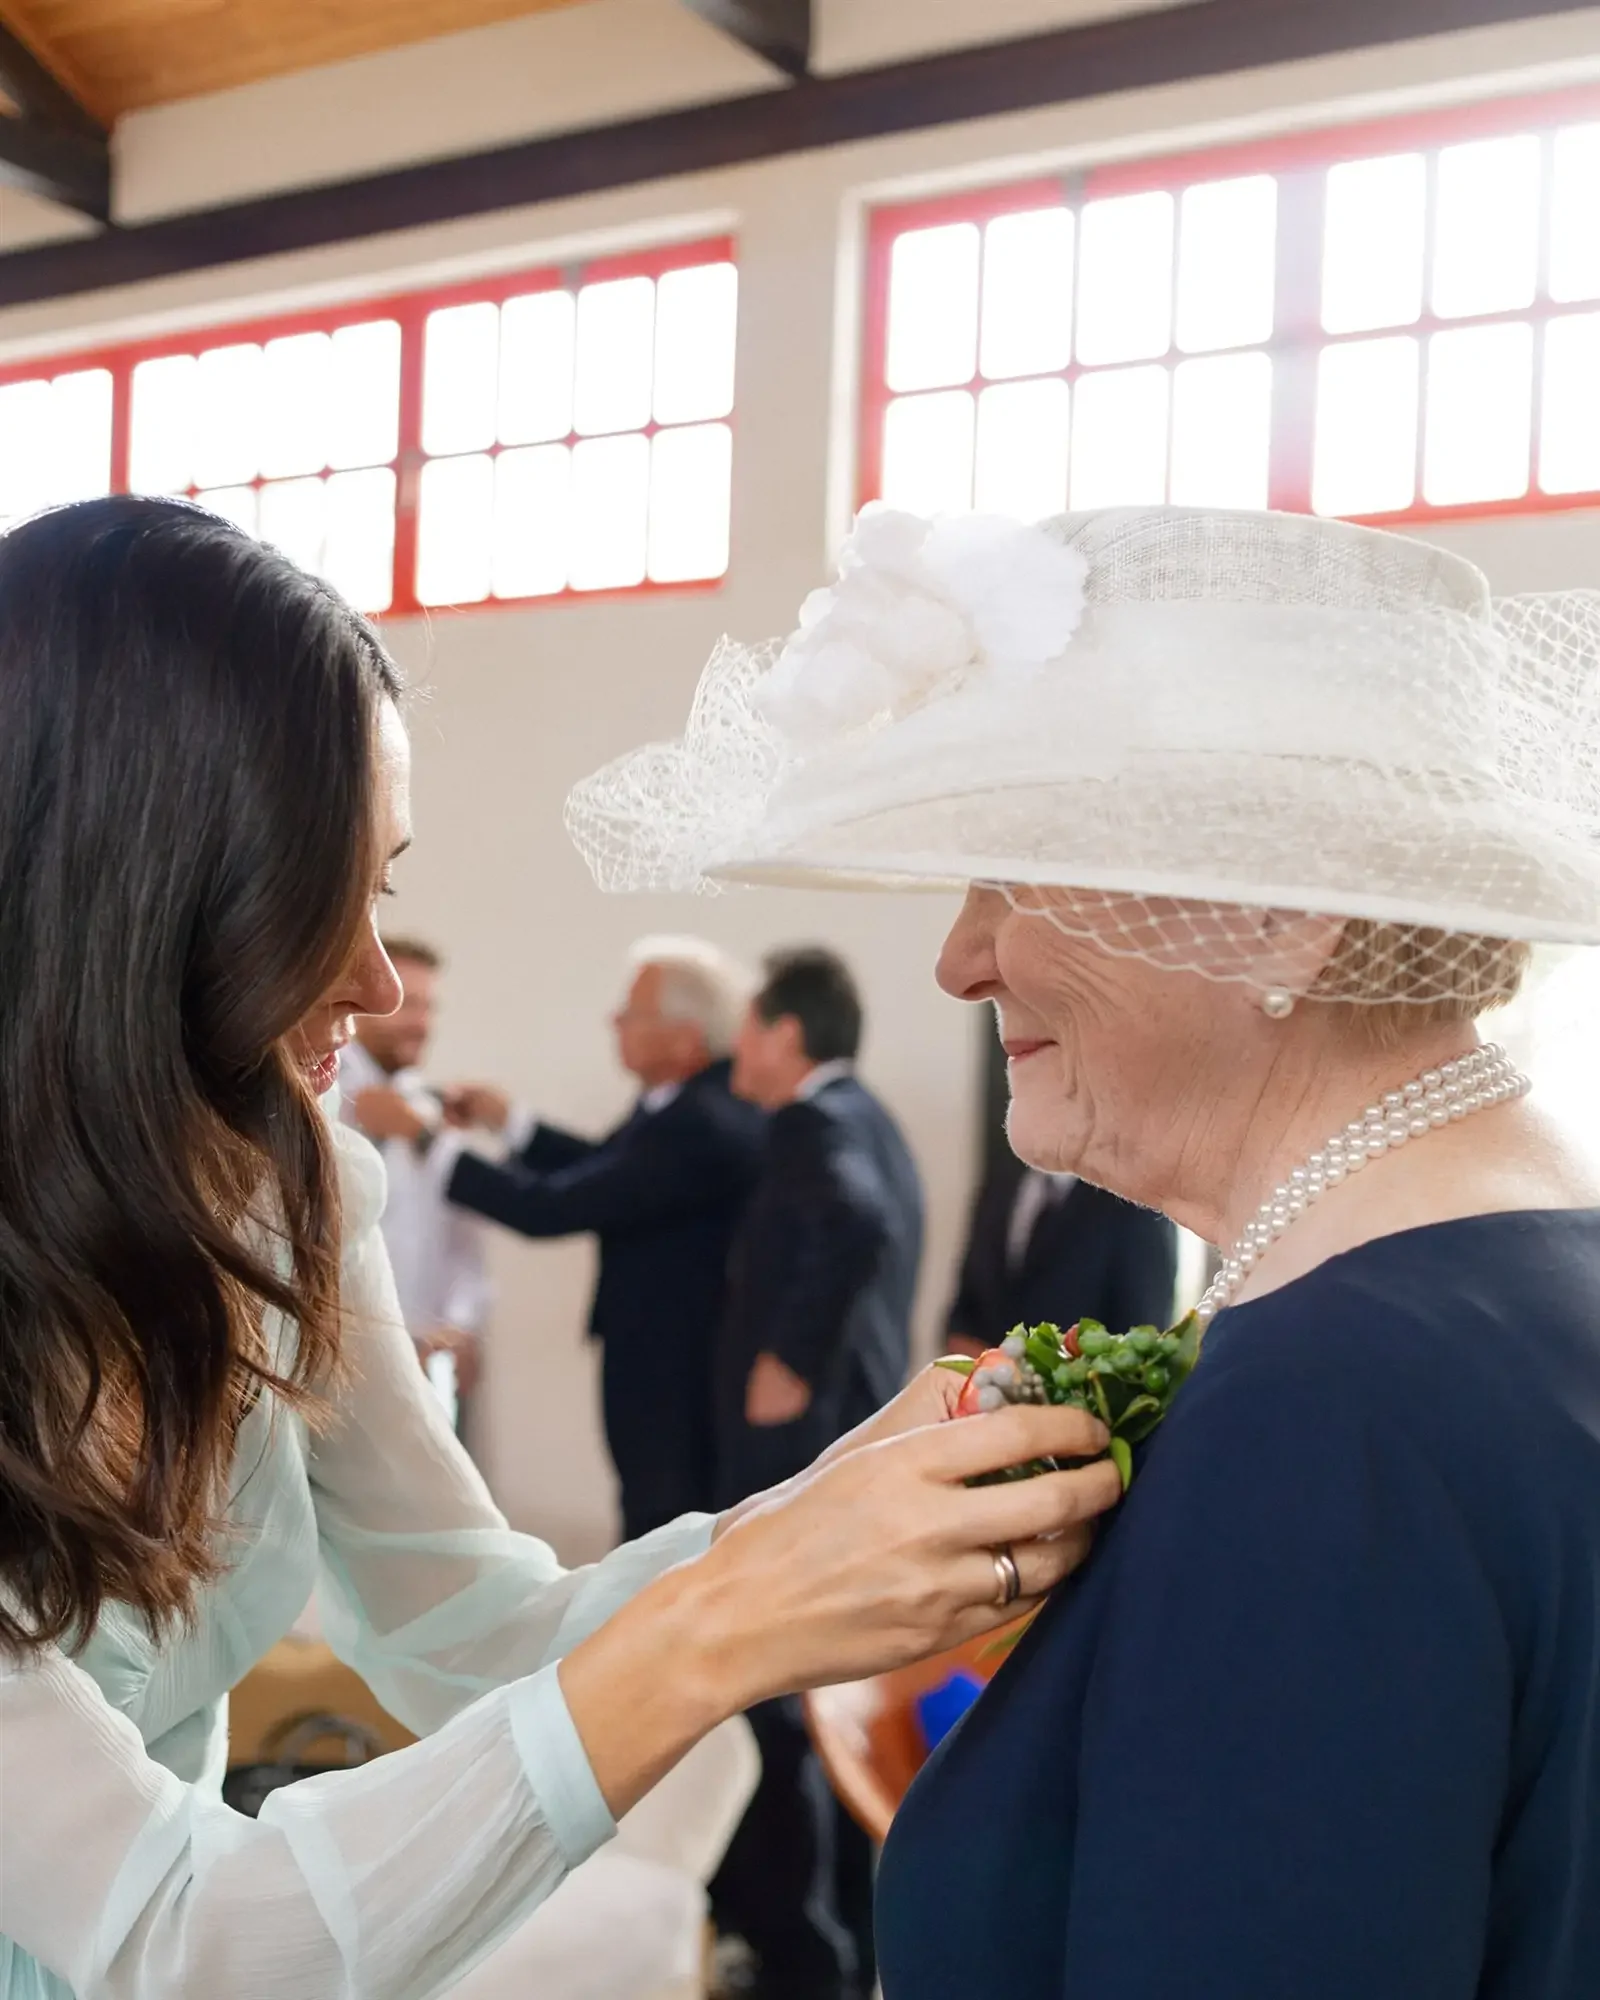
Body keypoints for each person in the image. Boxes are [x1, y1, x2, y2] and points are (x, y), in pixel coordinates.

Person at [0, 495, 1122, 2000]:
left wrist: (825, 1506)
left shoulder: (301, 1191)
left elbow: (471, 1620)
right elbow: (171, 1930)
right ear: (132, 890)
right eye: (318, 886)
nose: (378, 976)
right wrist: (722, 1627)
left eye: (380, 883)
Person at [565, 501, 1600, 1999]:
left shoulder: (1329, 1407)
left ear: (1283, 911)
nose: (958, 955)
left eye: (1020, 869)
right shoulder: (1516, 1284)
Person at [358, 938, 765, 1540]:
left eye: (633, 1013)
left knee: (665, 1518)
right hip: (659, 1355)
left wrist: (425, 1138)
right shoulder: (684, 1106)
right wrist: (511, 1122)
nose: (615, 1022)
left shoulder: (702, 1122)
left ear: (685, 1037)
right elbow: (605, 1167)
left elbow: (550, 1207)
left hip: (676, 1367)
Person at [712, 946, 924, 2000]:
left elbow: (856, 1221)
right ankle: (847, 1952)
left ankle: (812, 1964)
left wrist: (785, 1361)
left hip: (811, 1452)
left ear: (785, 1035)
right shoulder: (870, 1114)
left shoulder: (813, 1122)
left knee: (788, 1716)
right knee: (829, 1713)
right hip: (855, 1444)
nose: (734, 1047)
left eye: (745, 1026)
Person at [339, 936, 491, 1436]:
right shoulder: (320, 1103)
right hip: (340, 1362)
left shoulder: (433, 1116)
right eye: (408, 1004)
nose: (421, 1023)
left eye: (429, 1007)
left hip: (426, 1361)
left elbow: (462, 1239)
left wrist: (461, 1326)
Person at [943, 1151, 1177, 1359]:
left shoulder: (1136, 1200)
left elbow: (1142, 1339)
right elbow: (965, 1307)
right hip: (983, 1395)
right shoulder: (1001, 1181)